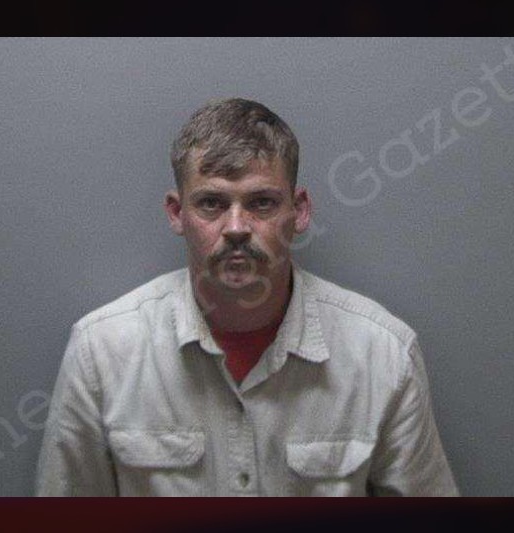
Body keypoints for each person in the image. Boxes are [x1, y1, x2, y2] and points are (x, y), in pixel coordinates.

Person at [36, 98, 458, 496]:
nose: (237, 227)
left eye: (261, 203)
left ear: (300, 210)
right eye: (211, 203)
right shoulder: (101, 353)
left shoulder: (383, 356)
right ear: (177, 213)